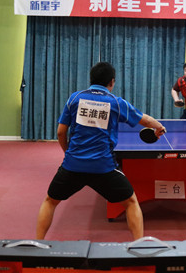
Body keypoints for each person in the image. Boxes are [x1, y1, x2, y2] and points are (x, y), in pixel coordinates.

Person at [36, 62, 166, 240]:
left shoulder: (75, 98)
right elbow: (145, 120)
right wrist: (159, 128)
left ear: (91, 79)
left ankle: (38, 243)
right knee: (131, 203)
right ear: (112, 82)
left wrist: (68, 153)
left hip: (73, 165)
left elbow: (61, 132)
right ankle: (138, 244)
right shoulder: (116, 102)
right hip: (103, 167)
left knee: (50, 201)